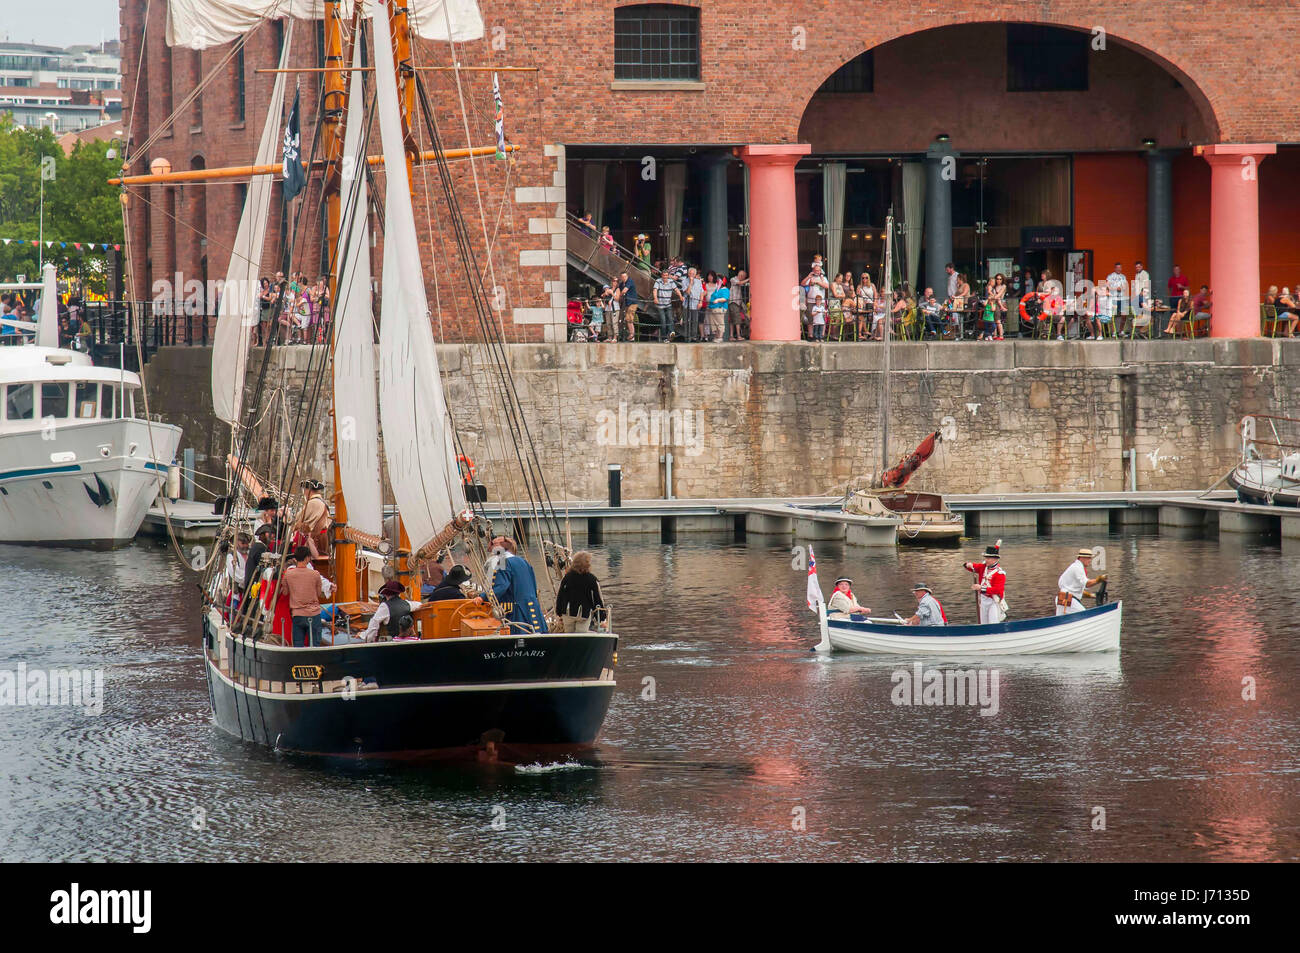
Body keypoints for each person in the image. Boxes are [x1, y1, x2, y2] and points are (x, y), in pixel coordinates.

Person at [489, 536, 548, 633]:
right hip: (532, 609)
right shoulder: (524, 562)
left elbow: (501, 586)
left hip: (517, 613)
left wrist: (483, 597)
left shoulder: (503, 562)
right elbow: (533, 585)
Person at [282, 545, 333, 647]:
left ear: (295, 559)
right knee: (315, 646)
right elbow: (318, 593)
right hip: (314, 614)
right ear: (307, 558)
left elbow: (285, 592)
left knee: (298, 646)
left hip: (297, 614)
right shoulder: (315, 574)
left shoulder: (288, 575)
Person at [359, 573, 423, 642]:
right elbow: (419, 605)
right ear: (399, 593)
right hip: (408, 641)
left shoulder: (384, 606)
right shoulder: (407, 604)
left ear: (386, 594)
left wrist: (366, 638)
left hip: (394, 642)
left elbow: (374, 623)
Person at [554, 551, 605, 632]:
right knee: (581, 634)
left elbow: (560, 595)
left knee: (569, 635)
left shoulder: (567, 577)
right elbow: (597, 598)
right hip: (583, 613)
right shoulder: (592, 579)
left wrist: (558, 612)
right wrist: (601, 617)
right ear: (587, 564)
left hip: (567, 612)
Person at [964, 543, 1007, 624]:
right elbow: (974, 567)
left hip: (993, 600)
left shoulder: (1000, 573)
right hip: (983, 600)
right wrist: (967, 565)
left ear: (995, 559)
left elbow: (997, 590)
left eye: (988, 558)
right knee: (983, 622)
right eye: (986, 558)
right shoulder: (983, 567)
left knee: (993, 623)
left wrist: (980, 588)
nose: (986, 560)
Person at [1056, 548, 1102, 616]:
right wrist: (1099, 579)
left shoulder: (1076, 566)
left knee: (1061, 622)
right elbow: (1087, 584)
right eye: (1088, 558)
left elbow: (1076, 590)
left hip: (1063, 597)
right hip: (1066, 598)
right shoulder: (1077, 567)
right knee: (1084, 615)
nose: (1090, 560)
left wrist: (1091, 596)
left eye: (1090, 558)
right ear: (1081, 558)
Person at [292, 478, 331, 557]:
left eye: (305, 489)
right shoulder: (322, 502)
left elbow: (299, 518)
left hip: (315, 538)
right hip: (324, 537)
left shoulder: (312, 502)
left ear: (308, 490)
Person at [652, 269, 681, 341]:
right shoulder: (658, 281)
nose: (665, 277)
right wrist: (655, 298)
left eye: (666, 275)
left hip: (668, 304)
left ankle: (671, 332)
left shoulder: (671, 281)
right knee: (663, 321)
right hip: (660, 304)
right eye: (664, 275)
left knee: (670, 318)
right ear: (661, 276)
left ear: (668, 276)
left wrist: (680, 296)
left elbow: (676, 289)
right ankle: (664, 337)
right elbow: (655, 290)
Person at [616, 271, 638, 342]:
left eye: (625, 277)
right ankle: (630, 336)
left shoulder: (630, 281)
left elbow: (624, 291)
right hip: (626, 303)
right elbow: (618, 289)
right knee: (624, 319)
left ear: (627, 276)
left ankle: (632, 334)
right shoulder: (622, 284)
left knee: (629, 318)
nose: (624, 278)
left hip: (632, 303)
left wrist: (619, 296)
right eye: (622, 277)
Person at [706, 277, 729, 343]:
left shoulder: (725, 290)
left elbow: (725, 298)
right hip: (712, 308)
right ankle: (716, 336)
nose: (717, 282)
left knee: (720, 322)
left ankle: (720, 337)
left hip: (719, 308)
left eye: (719, 281)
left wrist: (717, 300)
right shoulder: (718, 289)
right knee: (713, 323)